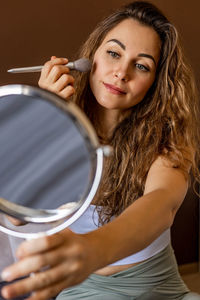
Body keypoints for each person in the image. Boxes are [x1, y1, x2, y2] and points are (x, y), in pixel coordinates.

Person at [1, 1, 200, 299]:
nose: (121, 72)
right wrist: (47, 117)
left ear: (155, 82)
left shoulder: (169, 135)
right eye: (113, 53)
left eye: (141, 65)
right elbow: (18, 216)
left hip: (159, 285)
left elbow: (162, 204)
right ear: (92, 54)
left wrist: (94, 250)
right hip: (83, 288)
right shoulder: (61, 127)